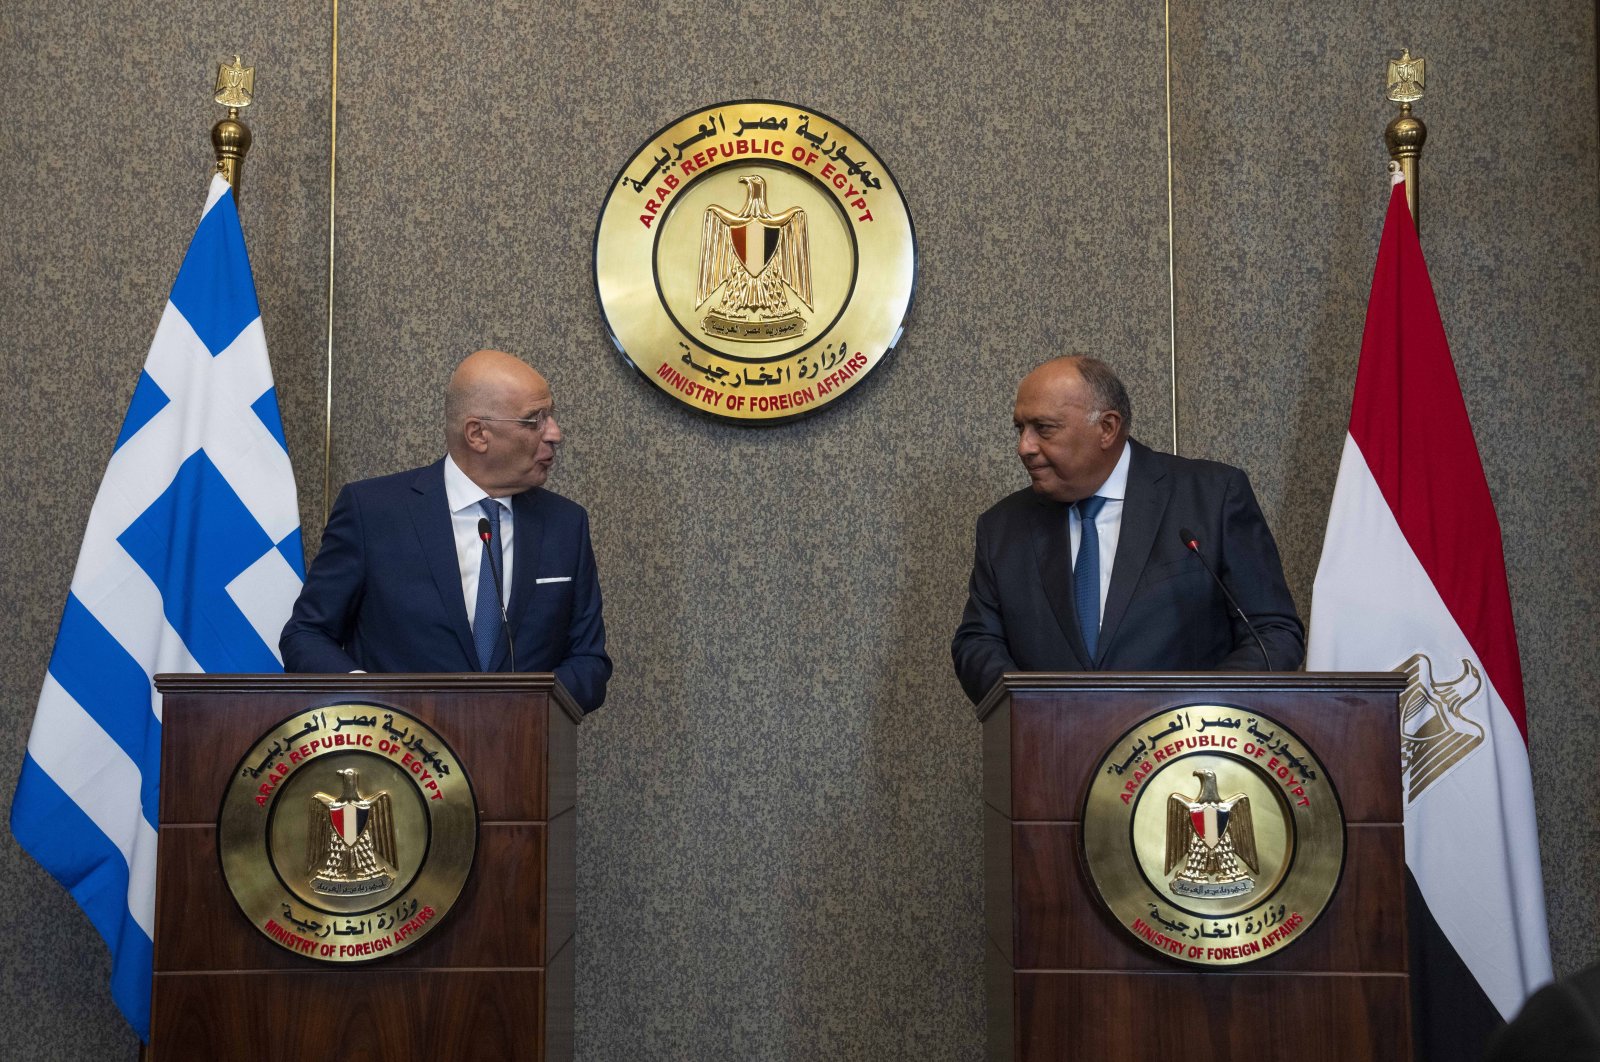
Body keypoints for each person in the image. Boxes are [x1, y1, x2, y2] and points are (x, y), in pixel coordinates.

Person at [951, 355, 1303, 705]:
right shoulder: (1003, 527)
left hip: (1185, 750)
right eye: (1020, 428)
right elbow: (977, 643)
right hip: (1054, 749)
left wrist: (1197, 711)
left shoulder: (1211, 497)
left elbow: (1273, 635)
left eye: (1043, 428)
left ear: (1107, 428)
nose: (1024, 447)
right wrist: (1033, 709)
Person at [281, 349, 611, 712]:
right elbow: (306, 635)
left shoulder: (566, 523)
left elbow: (589, 661)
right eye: (534, 420)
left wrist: (529, 709)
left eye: (551, 416)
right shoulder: (373, 512)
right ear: (478, 434)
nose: (555, 433)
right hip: (398, 754)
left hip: (523, 756)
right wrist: (369, 699)